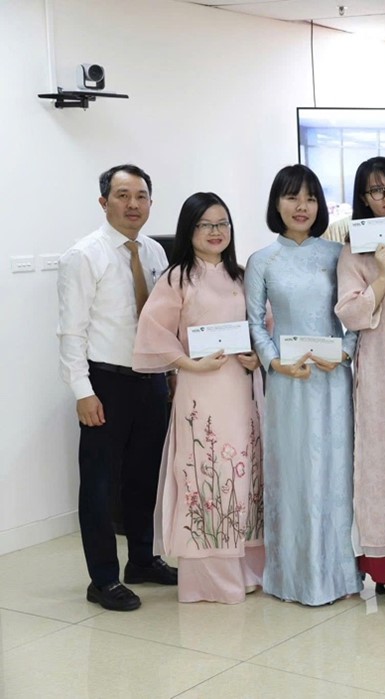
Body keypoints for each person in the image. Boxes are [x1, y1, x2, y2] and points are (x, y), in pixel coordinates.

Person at [132, 192, 264, 604]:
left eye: (222, 223)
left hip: (240, 389)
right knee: (206, 472)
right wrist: (190, 364)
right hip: (200, 391)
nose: (215, 232)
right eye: (205, 224)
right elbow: (153, 332)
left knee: (241, 473)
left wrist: (255, 355)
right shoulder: (177, 279)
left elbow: (262, 326)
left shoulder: (241, 276)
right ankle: (210, 579)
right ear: (189, 230)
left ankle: (248, 569)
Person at [58, 164, 177, 612]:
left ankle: (142, 560)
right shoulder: (84, 255)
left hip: (151, 379)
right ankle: (103, 579)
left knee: (145, 476)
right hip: (105, 381)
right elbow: (71, 330)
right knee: (100, 483)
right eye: (123, 195)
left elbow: (163, 320)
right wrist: (82, 391)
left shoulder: (154, 252)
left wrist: (170, 371)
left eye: (141, 196)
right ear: (103, 201)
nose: (133, 204)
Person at [245, 164, 359, 606]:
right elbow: (255, 323)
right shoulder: (262, 260)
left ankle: (338, 575)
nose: (302, 206)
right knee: (292, 471)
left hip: (332, 379)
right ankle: (291, 575)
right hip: (288, 382)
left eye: (310, 198)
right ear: (277, 203)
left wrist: (345, 351)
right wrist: (274, 362)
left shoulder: (337, 255)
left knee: (335, 470)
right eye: (292, 197)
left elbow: (353, 313)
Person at [335, 157, 385, 606]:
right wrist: (383, 275)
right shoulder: (355, 248)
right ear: (363, 198)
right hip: (382, 369)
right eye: (377, 190)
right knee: (384, 462)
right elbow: (350, 313)